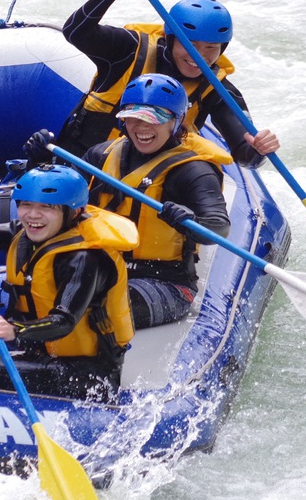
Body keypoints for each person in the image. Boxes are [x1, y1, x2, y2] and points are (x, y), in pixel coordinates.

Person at [0, 165, 138, 401]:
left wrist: (16, 330)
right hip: (43, 359)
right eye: (26, 205)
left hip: (89, 376)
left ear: (74, 212)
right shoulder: (25, 234)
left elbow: (63, 322)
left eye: (46, 207)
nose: (32, 215)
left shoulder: (86, 258)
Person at [35, 73, 232, 329]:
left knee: (92, 307)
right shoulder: (100, 155)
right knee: (36, 293)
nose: (142, 128)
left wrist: (189, 220)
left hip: (165, 283)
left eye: (155, 119)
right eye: (133, 118)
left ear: (177, 120)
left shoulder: (194, 171)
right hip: (98, 268)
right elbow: (58, 207)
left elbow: (218, 228)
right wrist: (39, 163)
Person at [41, 0, 280, 168]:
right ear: (171, 40)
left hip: (143, 181)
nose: (199, 56)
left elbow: (245, 155)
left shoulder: (218, 90)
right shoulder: (129, 50)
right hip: (79, 167)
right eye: (191, 45)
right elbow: (75, 32)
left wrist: (259, 149)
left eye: (211, 48)